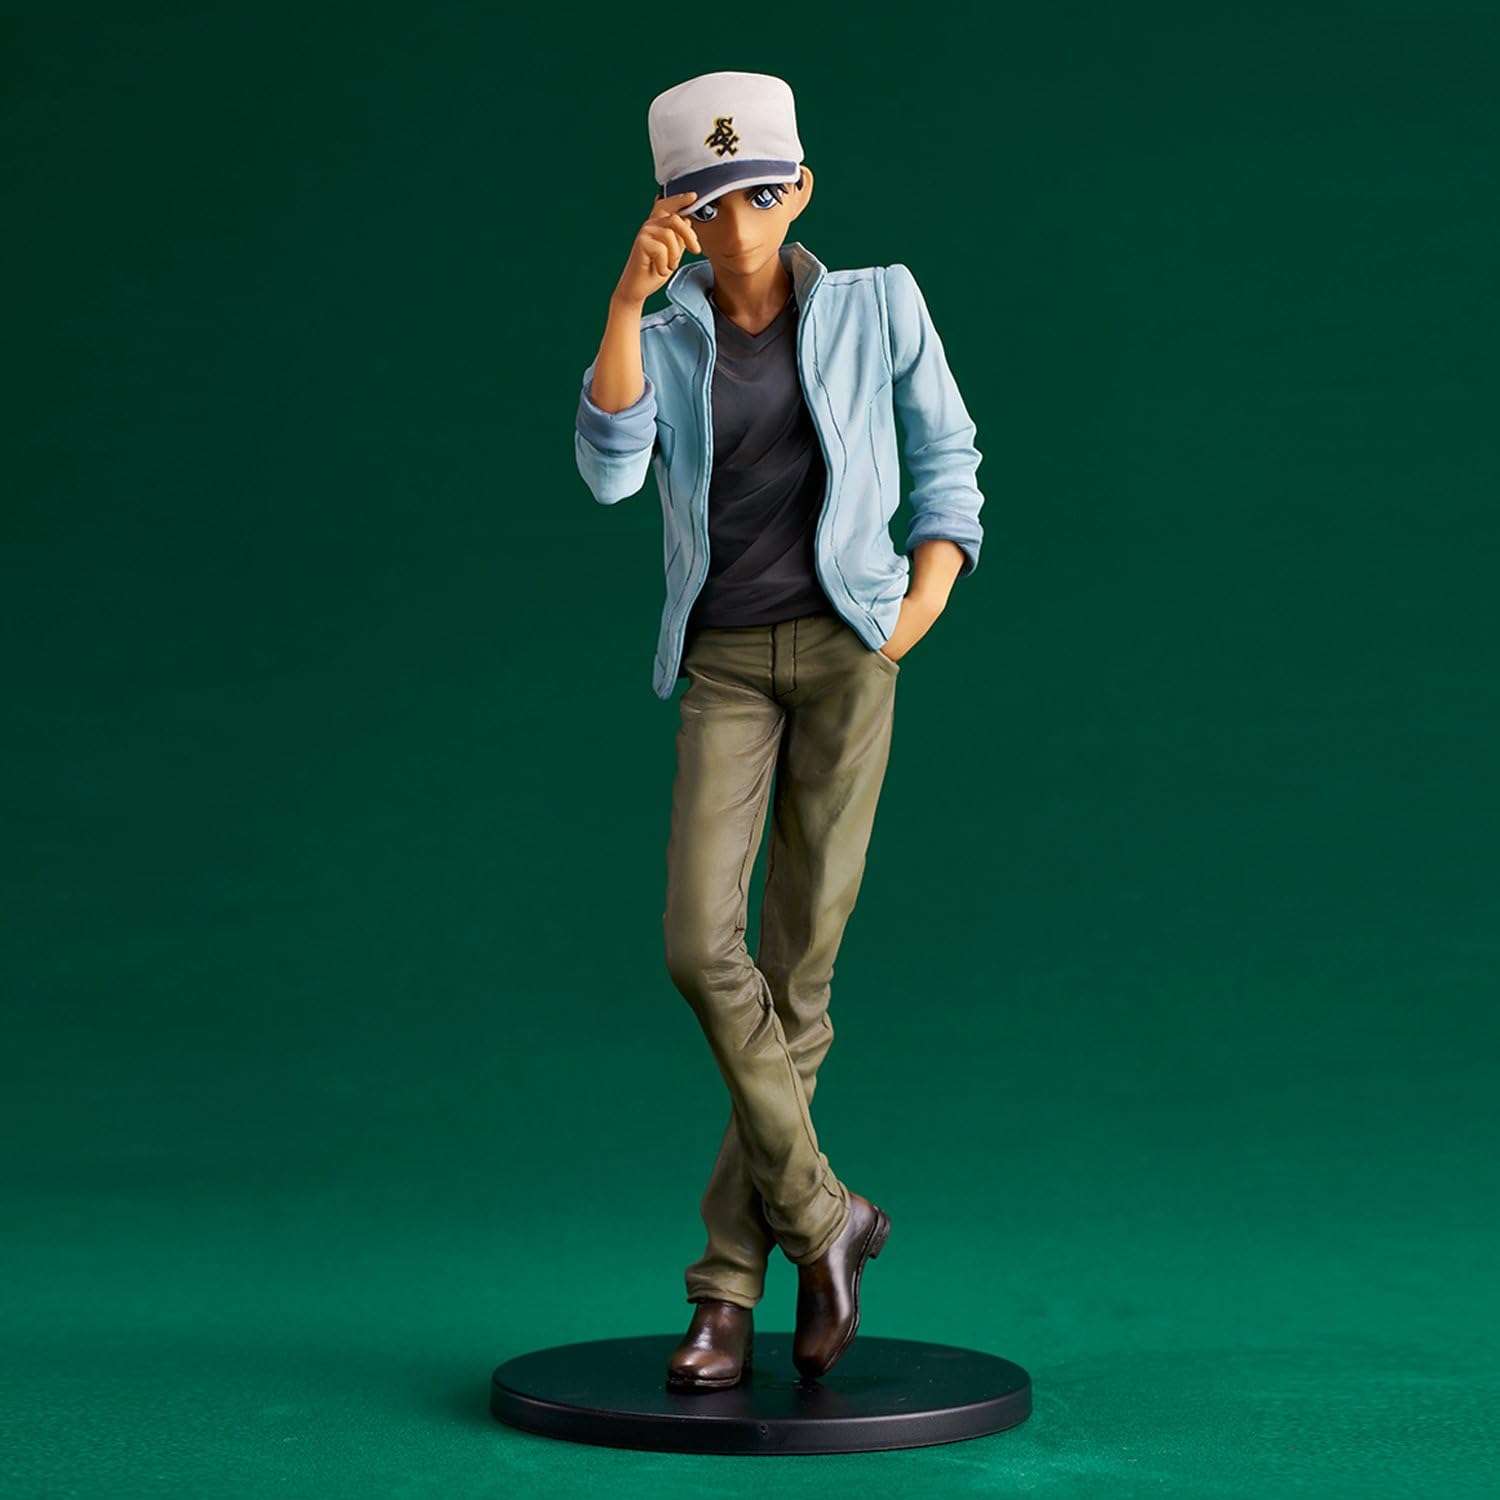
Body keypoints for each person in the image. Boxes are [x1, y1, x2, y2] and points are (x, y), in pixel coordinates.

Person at [573, 71, 985, 1389]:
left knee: (799, 978)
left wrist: (918, 605)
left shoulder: (878, 303)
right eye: (705, 202)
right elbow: (608, 473)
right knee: (702, 947)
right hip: (725, 664)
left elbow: (950, 458)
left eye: (758, 193)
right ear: (672, 212)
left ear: (800, 188)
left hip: (851, 651)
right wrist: (625, 305)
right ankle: (826, 1220)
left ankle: (724, 1294)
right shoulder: (666, 330)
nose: (736, 222)